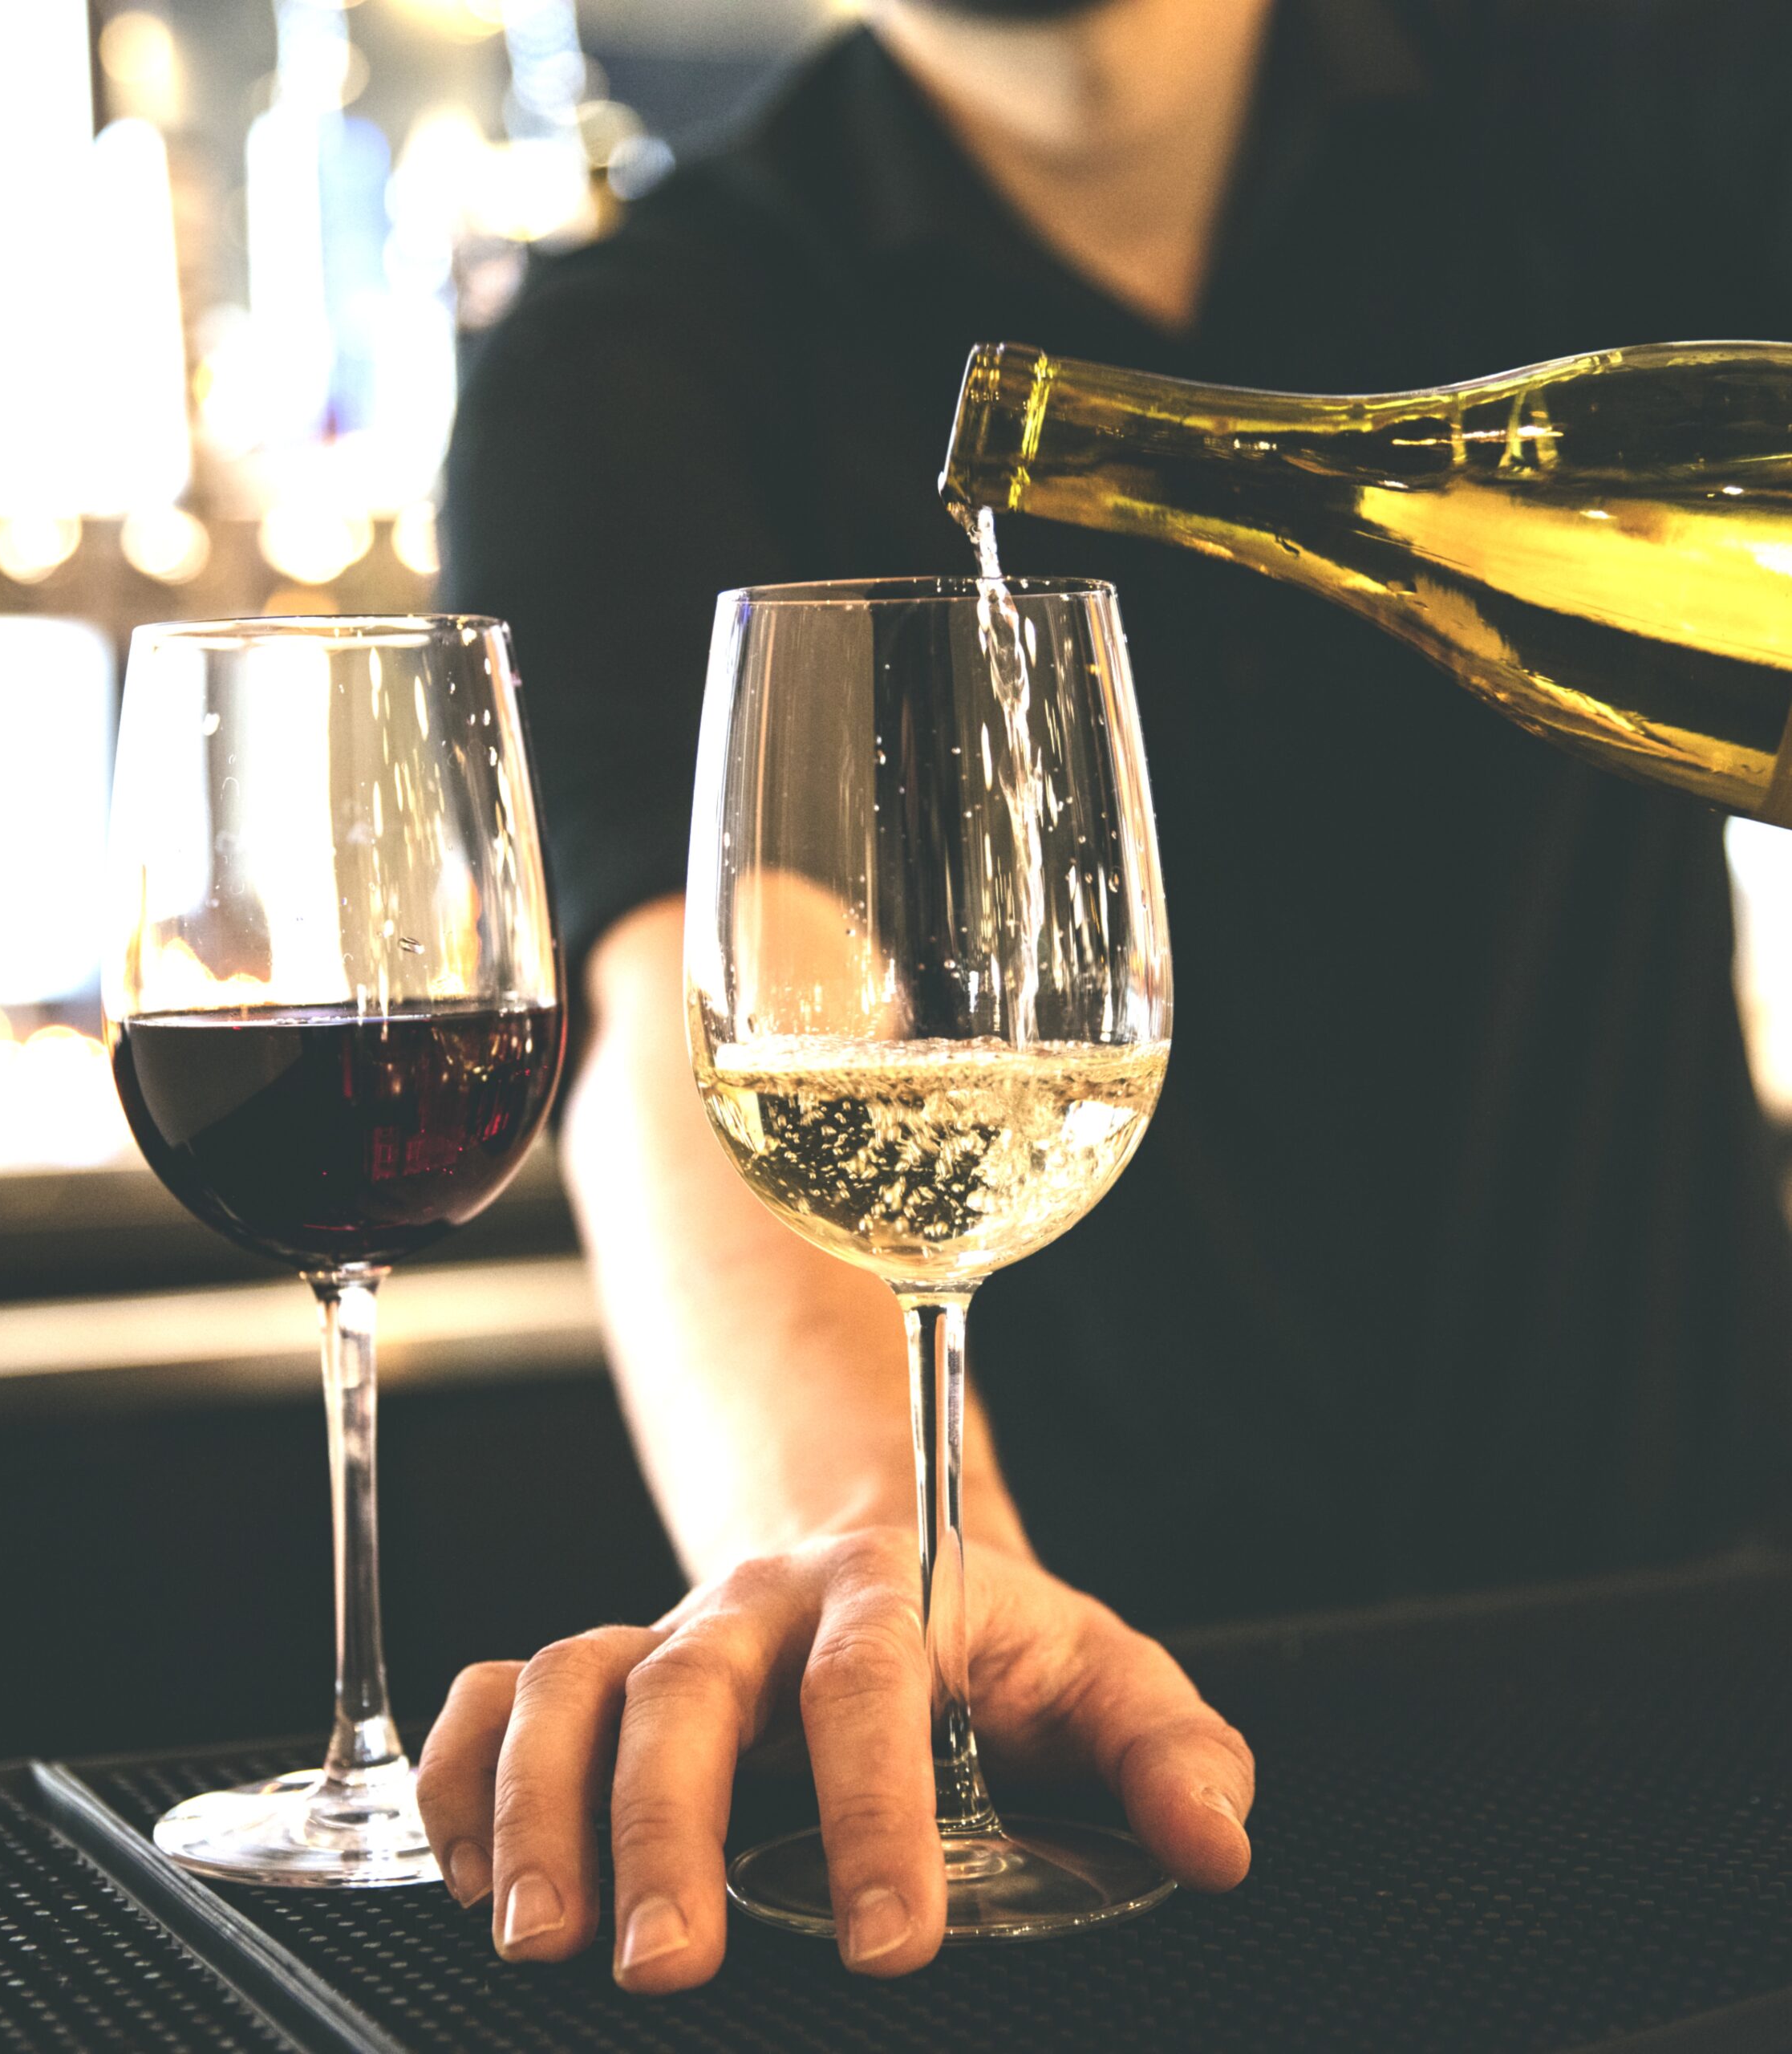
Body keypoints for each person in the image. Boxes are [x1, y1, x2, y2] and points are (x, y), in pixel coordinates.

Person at [424, 0, 1792, 1993]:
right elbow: (706, 1003)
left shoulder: (1654, 112)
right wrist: (884, 1560)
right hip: (1097, 1755)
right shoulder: (629, 356)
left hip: (1692, 1658)